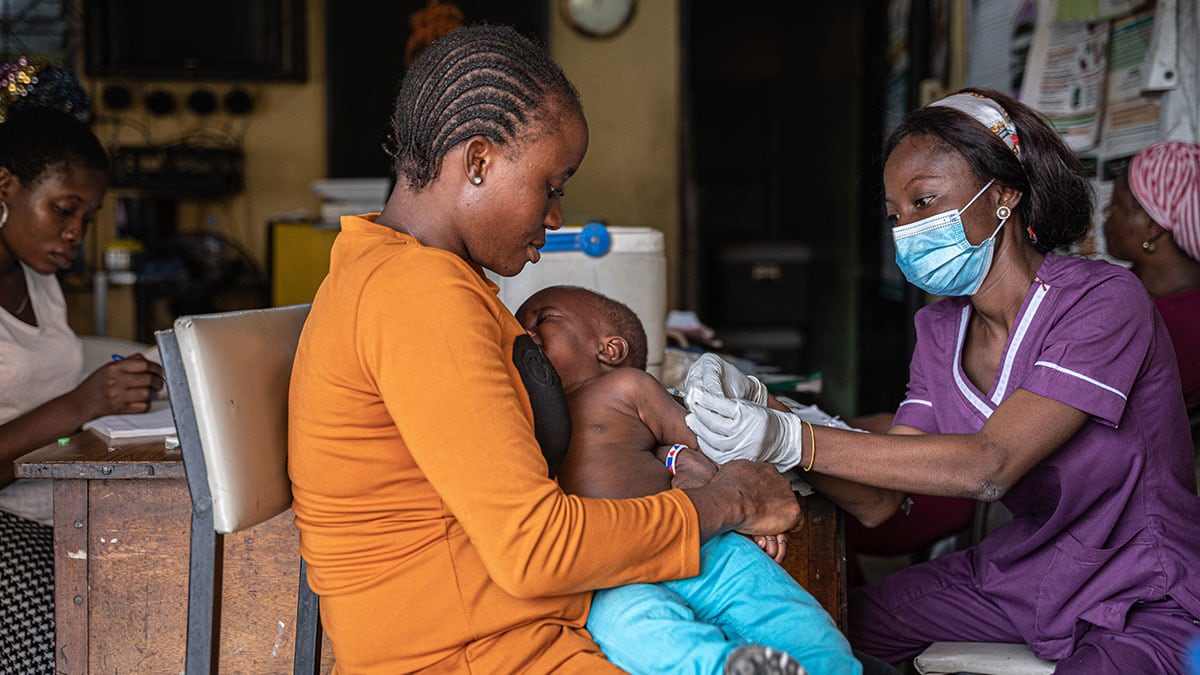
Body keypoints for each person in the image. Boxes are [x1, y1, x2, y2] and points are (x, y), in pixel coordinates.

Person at [287, 25, 800, 673]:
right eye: (552, 186)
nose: (556, 216)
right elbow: (535, 549)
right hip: (481, 656)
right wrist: (731, 501)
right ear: (478, 161)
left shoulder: (414, 275)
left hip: (527, 632)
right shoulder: (417, 293)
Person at [683, 88, 1200, 673]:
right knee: (831, 629)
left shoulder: (1103, 301)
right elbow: (881, 501)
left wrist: (792, 440)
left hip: (1142, 585)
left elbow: (989, 465)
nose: (907, 228)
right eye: (896, 214)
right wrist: (776, 411)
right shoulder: (940, 327)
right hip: (1029, 569)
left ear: (1004, 193)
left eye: (925, 201)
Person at [515, 284, 862, 675]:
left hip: (705, 545)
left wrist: (694, 469)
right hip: (611, 570)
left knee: (787, 616)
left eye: (542, 319)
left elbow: (708, 443)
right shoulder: (522, 414)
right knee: (639, 632)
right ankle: (724, 667)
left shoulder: (626, 388)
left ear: (609, 350)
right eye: (518, 327)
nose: (525, 333)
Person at [0, 59, 164, 674]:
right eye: (62, 210)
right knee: (101, 627)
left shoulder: (37, 277)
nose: (74, 234)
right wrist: (83, 405)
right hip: (13, 527)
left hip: (65, 505)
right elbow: (61, 410)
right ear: (4, 186)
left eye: (86, 220)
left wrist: (124, 389)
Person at [1103, 140, 1200, 408]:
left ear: (1153, 226)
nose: (1107, 211)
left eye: (1117, 203)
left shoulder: (1180, 327)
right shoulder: (1135, 287)